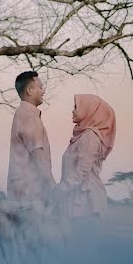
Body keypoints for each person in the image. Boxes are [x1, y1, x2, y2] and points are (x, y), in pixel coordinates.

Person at [50, 93, 116, 233]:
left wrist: (59, 190)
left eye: (76, 107)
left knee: (84, 250)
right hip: (77, 204)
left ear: (89, 110)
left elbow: (81, 173)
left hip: (86, 204)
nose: (73, 111)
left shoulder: (90, 137)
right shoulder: (82, 136)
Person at [6, 70, 56, 214]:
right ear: (29, 90)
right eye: (40, 87)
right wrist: (53, 189)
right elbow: (38, 158)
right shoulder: (30, 117)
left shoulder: (21, 114)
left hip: (20, 195)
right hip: (31, 198)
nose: (43, 91)